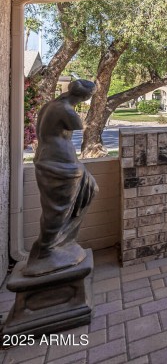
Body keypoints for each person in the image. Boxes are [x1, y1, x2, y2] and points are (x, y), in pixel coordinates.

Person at [24, 80, 99, 276]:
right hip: (59, 164)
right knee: (58, 210)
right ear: (85, 97)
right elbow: (80, 125)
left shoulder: (50, 106)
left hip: (56, 161)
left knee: (86, 193)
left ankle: (61, 243)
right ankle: (47, 250)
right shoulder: (66, 110)